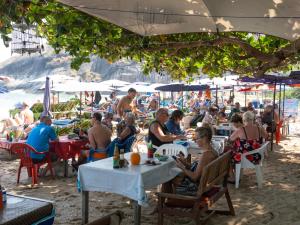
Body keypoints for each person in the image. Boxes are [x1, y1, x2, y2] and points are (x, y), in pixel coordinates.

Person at [162, 127, 218, 195]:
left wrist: (182, 167)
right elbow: (198, 169)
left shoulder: (206, 155)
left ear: (204, 138)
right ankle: (169, 200)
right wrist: (184, 162)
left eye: (196, 138)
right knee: (171, 175)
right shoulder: (212, 151)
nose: (194, 141)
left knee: (167, 177)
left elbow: (194, 177)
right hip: (206, 184)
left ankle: (167, 201)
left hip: (197, 188)